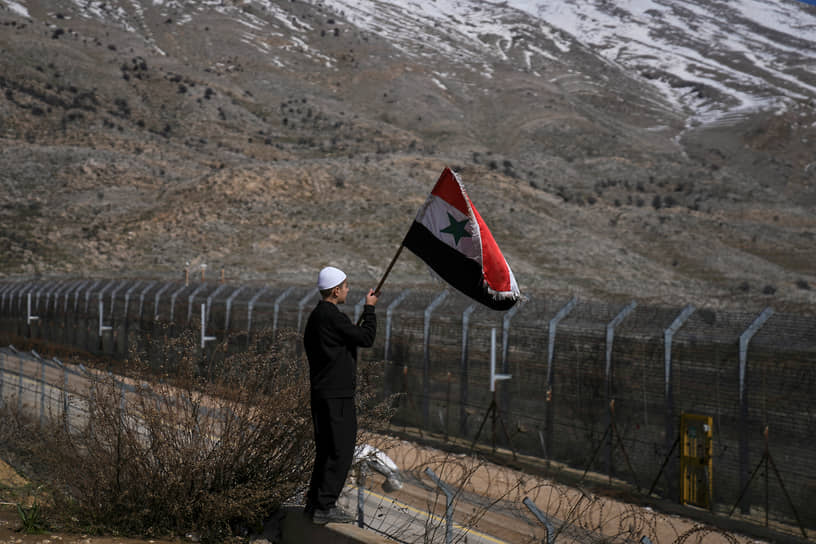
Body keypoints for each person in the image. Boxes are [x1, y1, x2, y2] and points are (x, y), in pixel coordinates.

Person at [303, 266, 379, 525]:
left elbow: (344, 341)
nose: (347, 290)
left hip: (322, 392)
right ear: (336, 290)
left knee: (326, 449)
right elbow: (366, 338)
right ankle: (325, 506)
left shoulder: (317, 317)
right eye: (345, 287)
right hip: (338, 395)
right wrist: (370, 308)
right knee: (341, 450)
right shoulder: (333, 317)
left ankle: (314, 503)